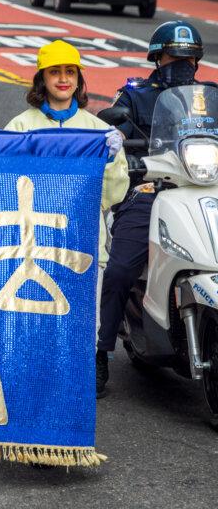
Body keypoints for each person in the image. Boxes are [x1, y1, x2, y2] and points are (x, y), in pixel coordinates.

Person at [97, 21, 211, 397]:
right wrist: (115, 143)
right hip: (151, 189)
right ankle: (100, 353)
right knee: (118, 270)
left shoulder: (208, 96)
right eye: (174, 57)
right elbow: (109, 129)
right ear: (157, 58)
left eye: (189, 57)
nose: (183, 63)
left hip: (205, 187)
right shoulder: (135, 96)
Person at [4, 40, 128, 322]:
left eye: (70, 72)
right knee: (33, 328)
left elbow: (113, 194)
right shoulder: (20, 127)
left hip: (83, 244)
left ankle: (94, 364)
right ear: (41, 79)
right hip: (32, 247)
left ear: (78, 79)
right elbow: (5, 184)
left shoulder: (98, 131)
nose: (63, 79)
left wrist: (110, 159)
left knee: (85, 329)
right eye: (55, 72)